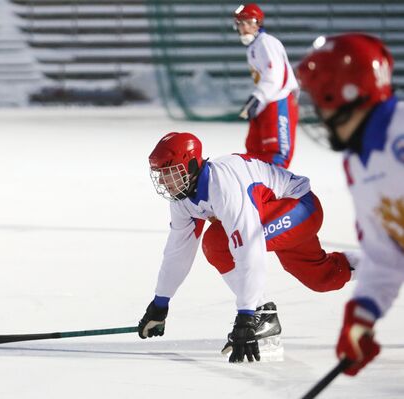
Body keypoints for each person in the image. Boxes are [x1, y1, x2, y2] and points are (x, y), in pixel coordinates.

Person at [138, 132, 357, 363]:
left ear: (191, 165)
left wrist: (246, 314)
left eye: (169, 172)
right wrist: (160, 303)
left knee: (217, 243)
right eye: (159, 174)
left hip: (301, 209)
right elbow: (177, 252)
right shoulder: (182, 200)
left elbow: (248, 248)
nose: (162, 181)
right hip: (279, 213)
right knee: (324, 277)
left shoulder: (224, 186)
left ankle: (263, 313)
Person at [296, 33, 404, 376]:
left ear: (345, 94)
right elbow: (385, 252)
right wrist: (364, 310)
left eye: (319, 100)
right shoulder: (358, 162)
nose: (318, 112)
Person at [233, 3, 299, 169]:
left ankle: (273, 192)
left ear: (259, 23)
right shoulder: (253, 47)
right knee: (254, 153)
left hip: (278, 101)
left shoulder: (266, 42)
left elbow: (275, 76)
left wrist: (258, 97)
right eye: (241, 23)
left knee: (276, 155)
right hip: (266, 103)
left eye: (249, 22)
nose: (245, 27)